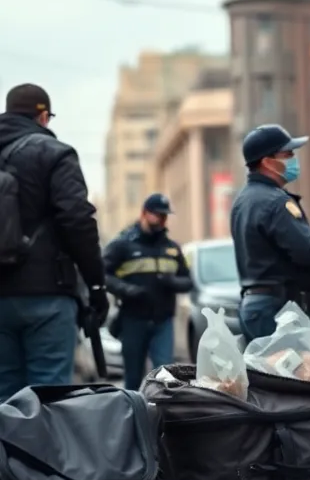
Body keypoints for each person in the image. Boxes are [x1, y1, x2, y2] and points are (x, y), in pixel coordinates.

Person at [0, 84, 107, 399]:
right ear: (43, 115)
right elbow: (77, 220)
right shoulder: (54, 153)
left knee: (5, 398)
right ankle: (42, 451)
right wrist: (96, 285)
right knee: (49, 398)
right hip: (47, 295)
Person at [230, 124, 310, 341]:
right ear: (268, 162)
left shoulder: (242, 201)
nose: (294, 159)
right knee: (294, 373)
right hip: (277, 311)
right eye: (287, 154)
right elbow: (309, 251)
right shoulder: (275, 202)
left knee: (266, 374)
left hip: (255, 307)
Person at [103, 194, 193, 389]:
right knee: (133, 378)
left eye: (165, 216)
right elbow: (103, 275)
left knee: (166, 377)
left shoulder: (172, 248)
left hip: (163, 321)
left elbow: (188, 280)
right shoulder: (123, 245)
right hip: (133, 320)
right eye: (158, 215)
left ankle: (163, 417)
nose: (162, 220)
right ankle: (134, 416)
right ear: (144, 213)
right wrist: (127, 289)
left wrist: (172, 282)